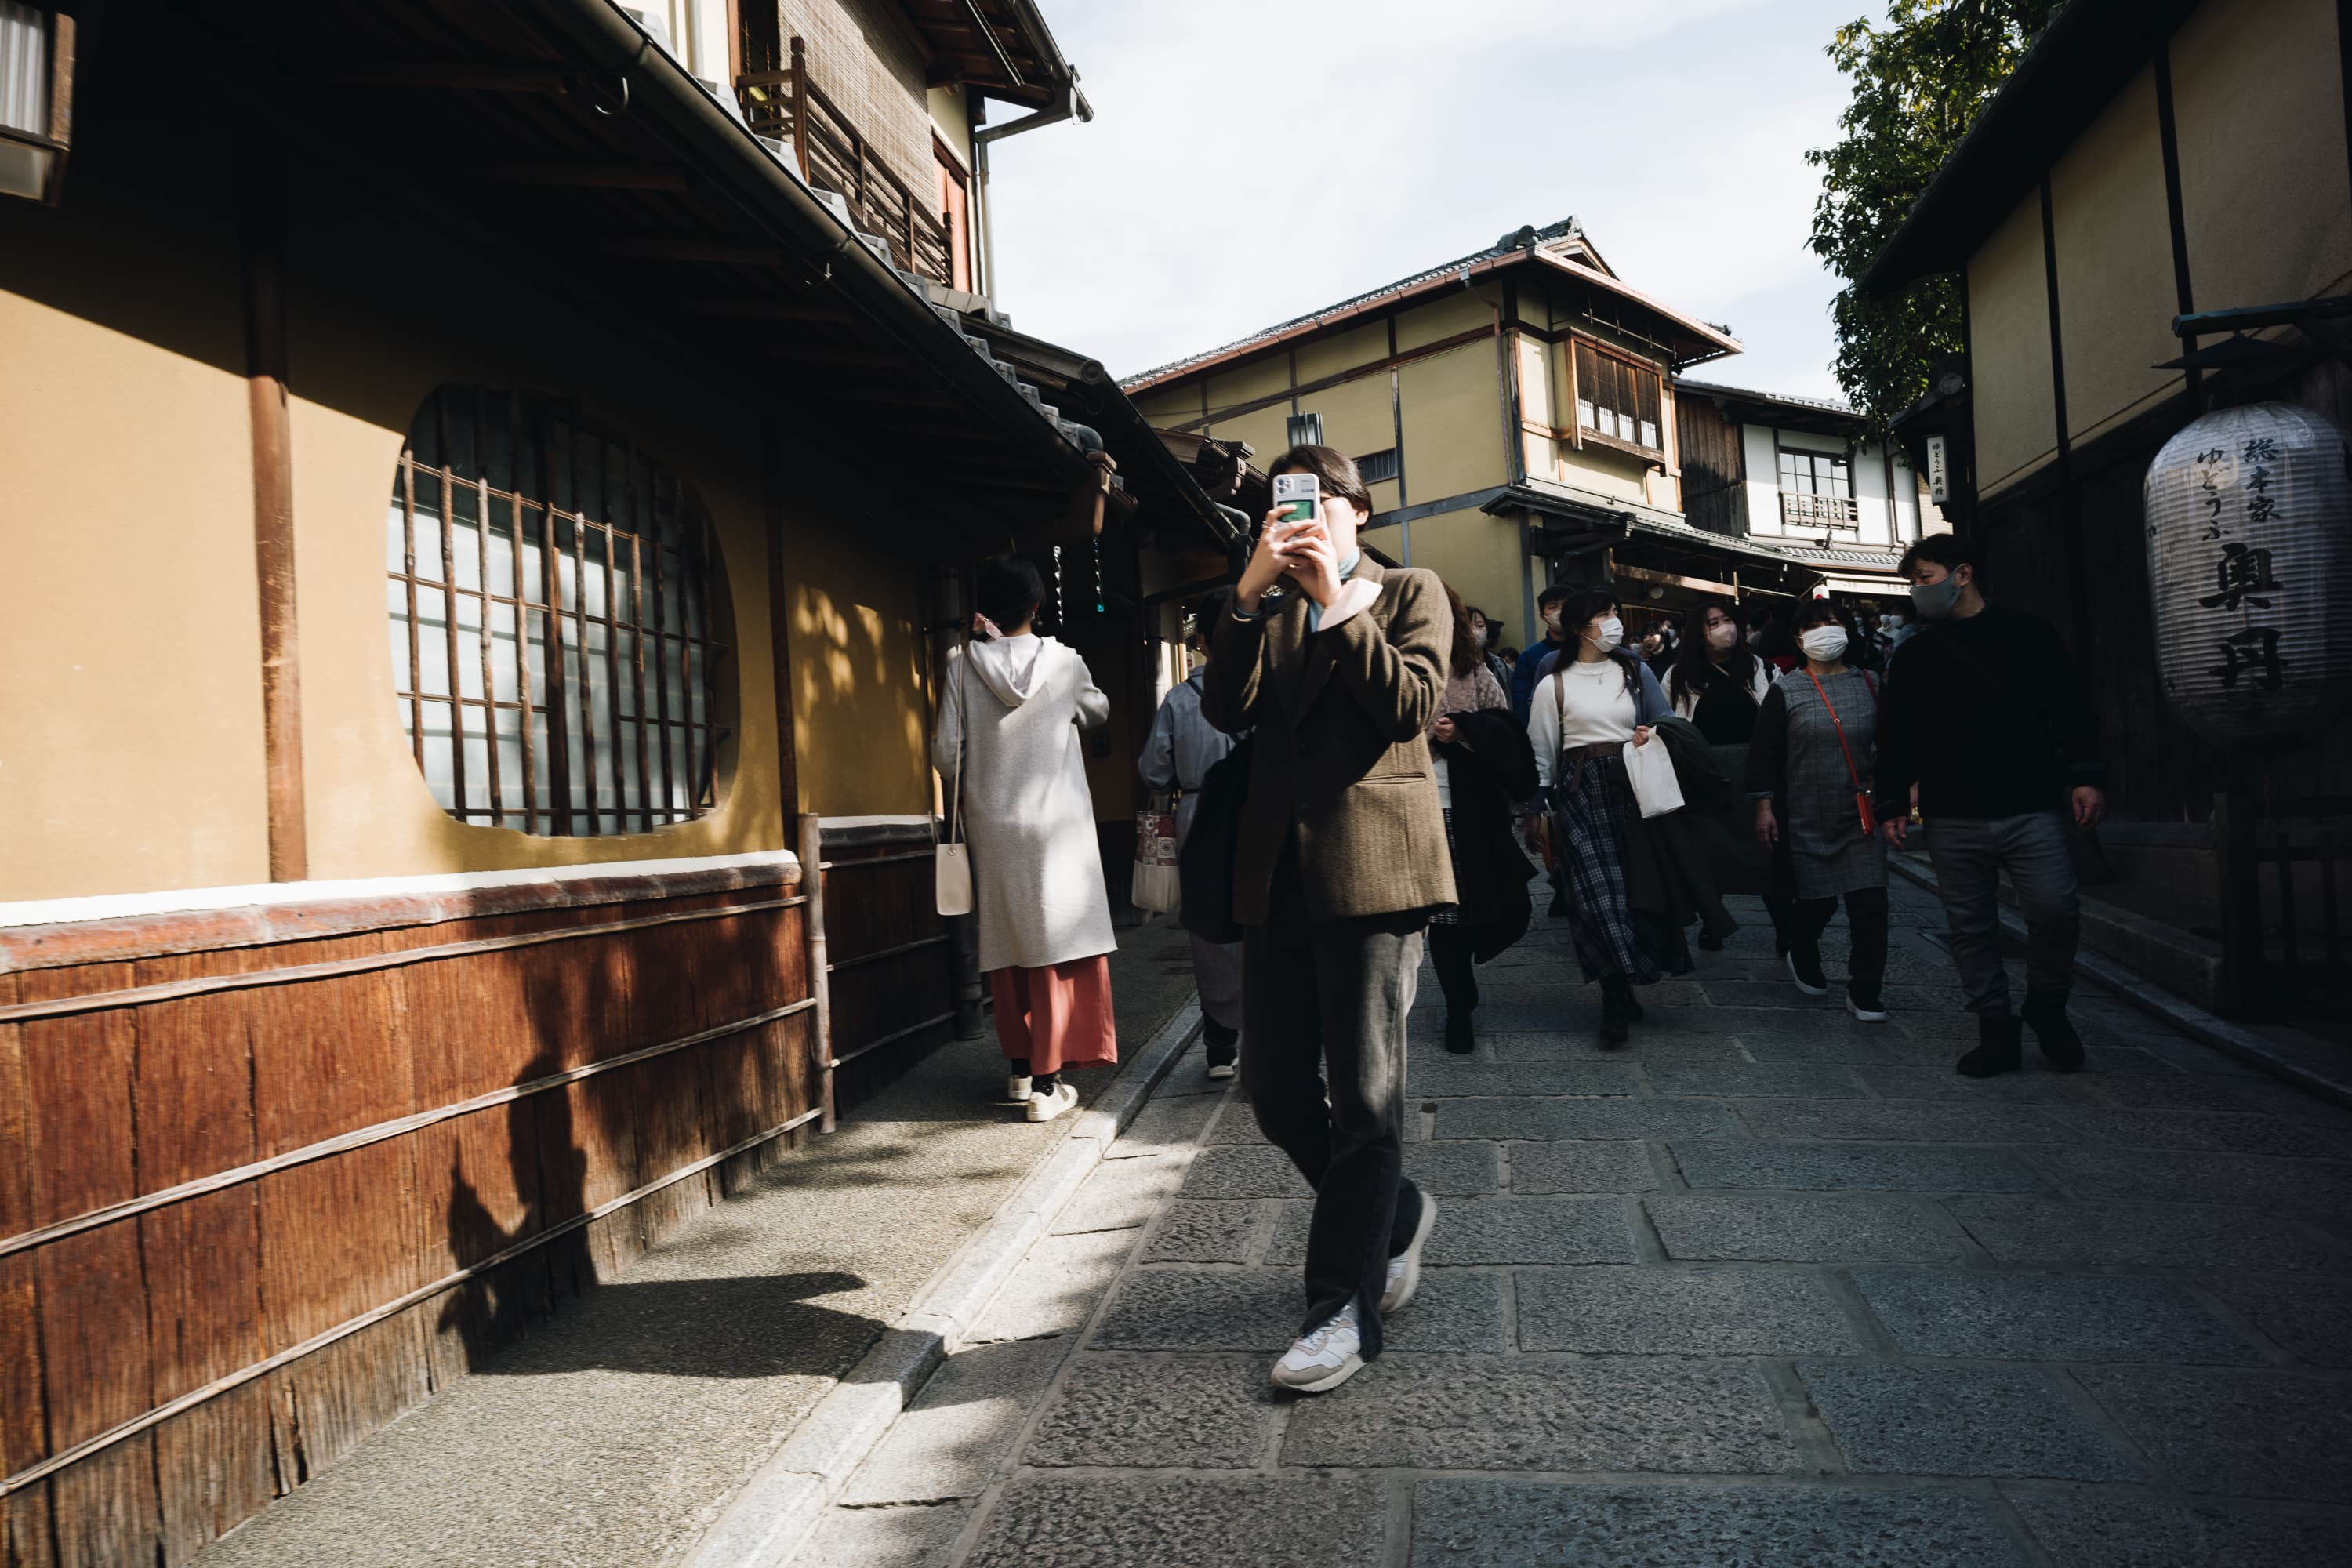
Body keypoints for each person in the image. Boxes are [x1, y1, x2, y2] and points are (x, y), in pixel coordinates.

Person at [1200, 444, 1450, 1395]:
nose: (1299, 517)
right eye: (1280, 505)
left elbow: (1408, 703)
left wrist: (1339, 599)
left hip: (1376, 872)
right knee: (1273, 1092)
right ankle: (1395, 1215)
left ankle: (1337, 1308)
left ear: (1358, 509)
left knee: (1366, 1099)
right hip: (1279, 878)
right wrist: (1246, 593)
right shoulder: (1269, 611)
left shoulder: (1408, 588)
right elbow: (1225, 707)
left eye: (1315, 501)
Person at [1873, 533, 2107, 1077]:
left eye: (1924, 578)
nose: (1917, 592)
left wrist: (2085, 774)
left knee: (2055, 908)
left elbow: (2070, 707)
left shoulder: (2030, 635)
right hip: (1952, 809)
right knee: (1970, 925)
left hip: (2031, 801)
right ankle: (1995, 1026)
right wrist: (1891, 801)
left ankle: (2047, 1003)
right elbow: (1897, 734)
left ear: (1963, 574)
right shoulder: (1915, 655)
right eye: (1912, 583)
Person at [933, 555, 1119, 1123]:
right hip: (1057, 828)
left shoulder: (961, 664)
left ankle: (1018, 1072)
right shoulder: (1065, 662)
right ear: (1037, 606)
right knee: (1055, 944)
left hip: (994, 825)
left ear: (983, 608)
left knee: (1007, 946)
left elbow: (945, 755)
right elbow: (1099, 711)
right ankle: (1047, 1084)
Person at [1526, 588, 1671, 1044]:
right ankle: (1613, 997)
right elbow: (1542, 750)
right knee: (1595, 897)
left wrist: (1653, 734)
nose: (1614, 622)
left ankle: (1622, 985)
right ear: (1577, 627)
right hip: (1579, 790)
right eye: (1603, 615)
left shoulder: (1634, 670)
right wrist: (1536, 808)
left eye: (1614, 612)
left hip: (1632, 786)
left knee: (1632, 892)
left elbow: (1666, 721)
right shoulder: (1553, 681)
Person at [1748, 599, 1889, 1020]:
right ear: (1799, 639)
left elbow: (1895, 746)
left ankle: (1865, 989)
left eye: (1834, 623)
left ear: (1848, 631)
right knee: (1818, 903)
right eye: (1816, 626)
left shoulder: (1871, 683)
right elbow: (1765, 755)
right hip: (1805, 813)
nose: (1826, 631)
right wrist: (1764, 806)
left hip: (1861, 813)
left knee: (1870, 906)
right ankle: (1800, 947)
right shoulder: (1785, 689)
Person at [1139, 590, 1247, 1081]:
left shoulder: (1180, 699)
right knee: (1263, 922)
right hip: (1257, 811)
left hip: (1198, 813)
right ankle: (1271, 1036)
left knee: (1208, 930)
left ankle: (1222, 1046)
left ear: (1199, 640)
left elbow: (1154, 769)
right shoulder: (1265, 691)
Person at [1428, 584, 1536, 1054]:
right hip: (1416, 808)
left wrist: (1465, 731)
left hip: (1469, 806)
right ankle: (1459, 1006)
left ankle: (1462, 984)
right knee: (1443, 919)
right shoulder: (1391, 665)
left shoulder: (1473, 669)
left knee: (1490, 910)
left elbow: (1507, 731)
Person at [1665, 598, 1778, 951]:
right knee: (1709, 852)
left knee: (1766, 849)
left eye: (1727, 619)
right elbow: (1670, 723)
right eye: (1712, 622)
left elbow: (1776, 715)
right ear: (1698, 633)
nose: (1722, 627)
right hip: (1705, 773)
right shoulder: (1679, 675)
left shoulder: (1760, 667)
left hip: (1755, 768)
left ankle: (1785, 927)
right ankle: (1714, 921)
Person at [1510, 583, 1576, 728]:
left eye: (1566, 605)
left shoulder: (1589, 649)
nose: (1560, 611)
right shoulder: (1530, 656)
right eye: (1553, 607)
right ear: (1543, 616)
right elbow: (1522, 702)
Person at [1465, 603, 1511, 692]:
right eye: (1468, 626)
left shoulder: (1500, 666)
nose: (1475, 631)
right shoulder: (1447, 668)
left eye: (1480, 625)